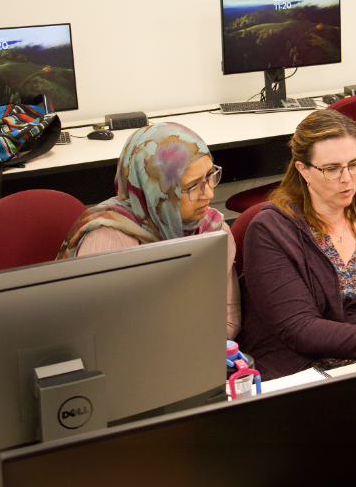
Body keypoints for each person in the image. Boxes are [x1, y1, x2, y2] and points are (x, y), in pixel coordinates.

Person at [237, 109, 356, 380]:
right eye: (332, 169)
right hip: (300, 370)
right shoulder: (270, 231)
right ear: (304, 170)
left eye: (354, 164)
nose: (347, 178)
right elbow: (300, 329)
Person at [58, 122, 241, 339]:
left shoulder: (214, 230)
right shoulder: (106, 243)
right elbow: (99, 340)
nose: (209, 194)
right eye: (193, 186)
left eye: (210, 177)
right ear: (157, 191)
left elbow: (229, 320)